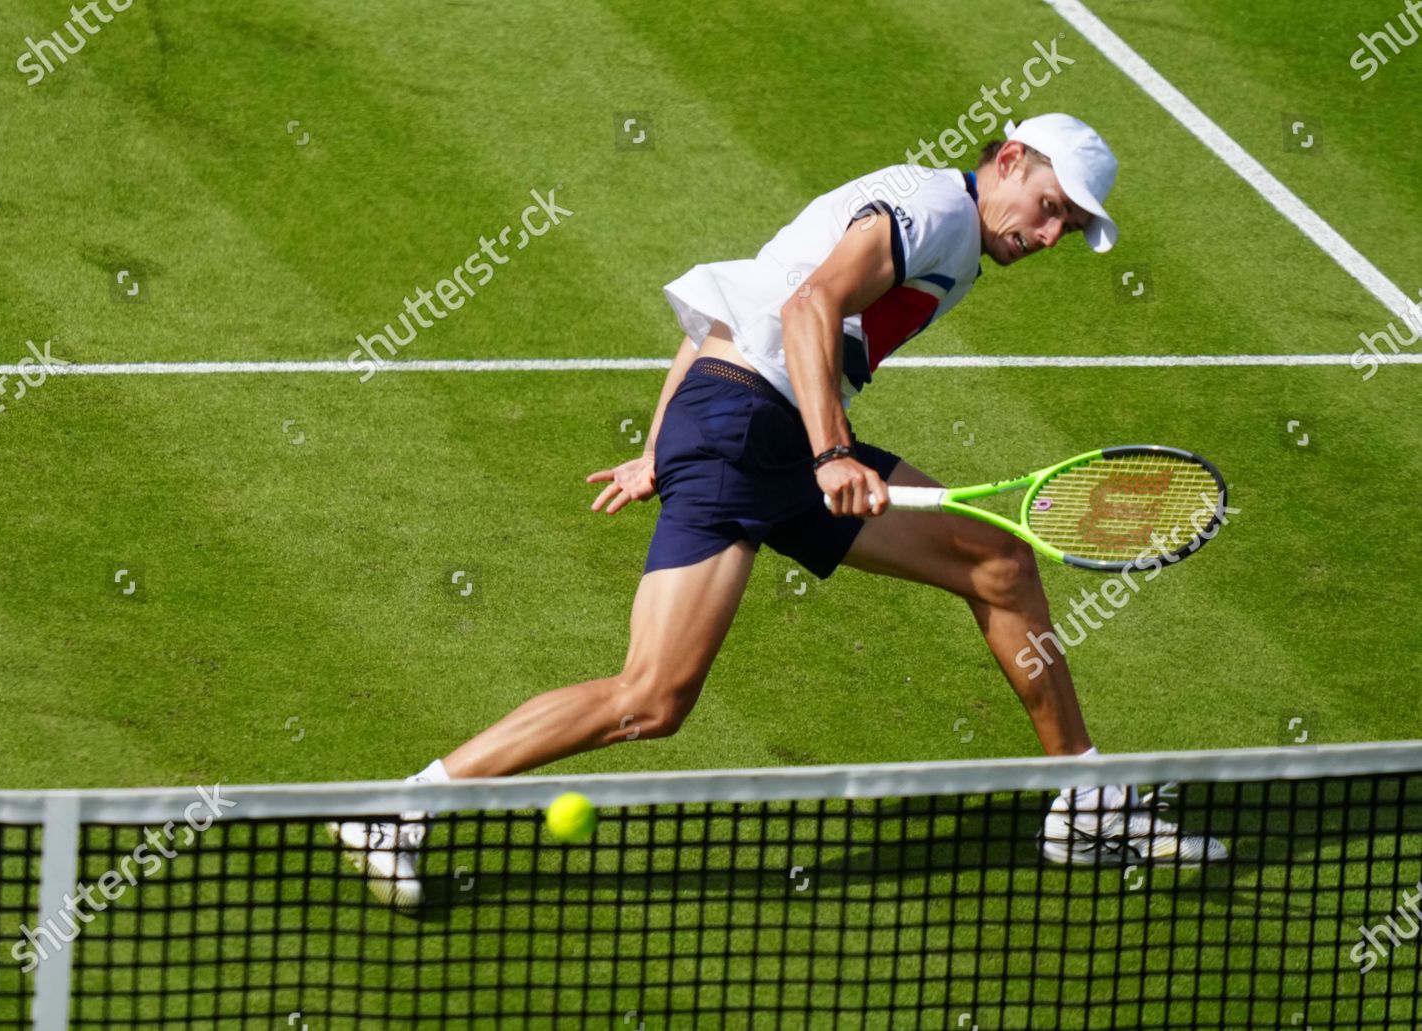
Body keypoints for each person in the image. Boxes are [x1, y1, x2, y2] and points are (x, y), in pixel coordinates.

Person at [331, 113, 1227, 908]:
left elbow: (734, 310)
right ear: (1010, 158)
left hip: (753, 424)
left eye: (1068, 224)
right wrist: (830, 452)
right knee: (650, 697)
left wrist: (660, 444)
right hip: (762, 432)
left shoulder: (936, 220)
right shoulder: (940, 212)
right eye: (1050, 204)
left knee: (998, 562)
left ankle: (1086, 798)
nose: (1050, 232)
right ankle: (399, 807)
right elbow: (807, 305)